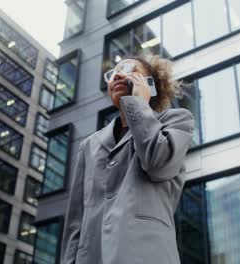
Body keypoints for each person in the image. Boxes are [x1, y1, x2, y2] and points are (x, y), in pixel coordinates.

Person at [60, 55, 195, 264]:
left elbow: (157, 163)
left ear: (149, 84)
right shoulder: (89, 146)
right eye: (114, 73)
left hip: (146, 255)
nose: (119, 75)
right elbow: (75, 223)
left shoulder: (177, 121)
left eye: (130, 69)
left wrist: (138, 103)